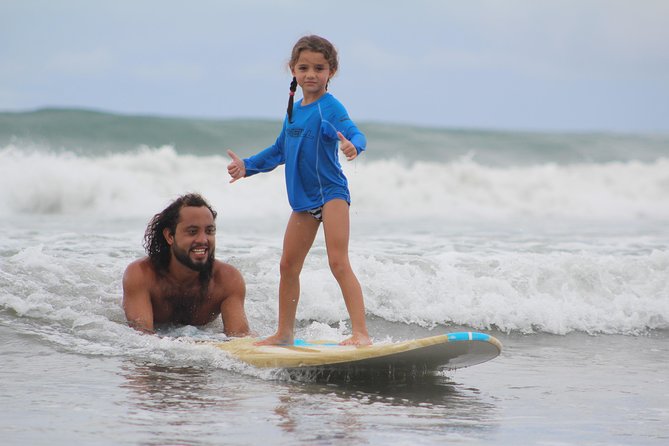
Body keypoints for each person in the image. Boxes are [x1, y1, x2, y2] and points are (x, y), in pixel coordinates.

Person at [226, 35, 371, 346]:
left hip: (331, 194)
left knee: (338, 262)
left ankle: (361, 333)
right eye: (303, 67)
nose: (311, 74)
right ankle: (284, 334)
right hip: (303, 202)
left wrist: (352, 147)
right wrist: (247, 166)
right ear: (292, 70)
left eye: (319, 68)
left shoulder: (329, 108)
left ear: (331, 71)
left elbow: (355, 132)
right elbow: (280, 150)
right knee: (288, 266)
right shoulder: (294, 110)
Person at [122, 193, 250, 336]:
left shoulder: (227, 280)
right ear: (170, 236)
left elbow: (240, 339)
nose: (203, 239)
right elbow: (141, 339)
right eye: (192, 232)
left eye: (209, 231)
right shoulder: (141, 275)